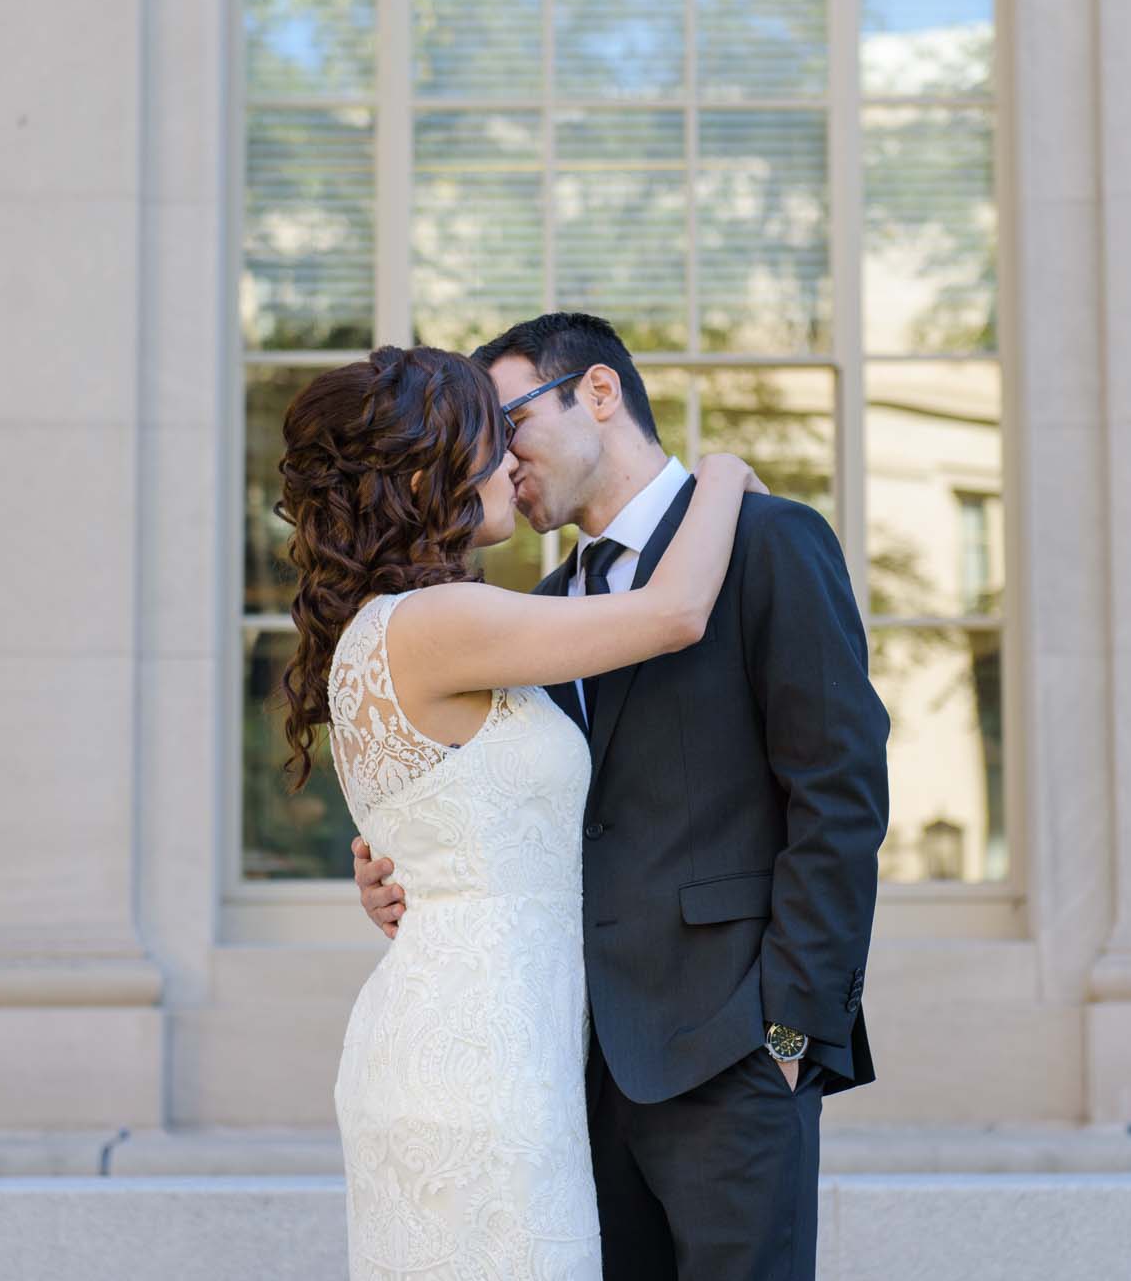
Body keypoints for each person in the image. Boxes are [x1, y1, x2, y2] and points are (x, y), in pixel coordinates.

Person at [353, 313, 890, 1280]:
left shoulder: (772, 542)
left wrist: (789, 1035)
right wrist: (407, 862)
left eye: (507, 418)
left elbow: (840, 795)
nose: (496, 454)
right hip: (572, 1076)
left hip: (734, 1056)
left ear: (597, 394)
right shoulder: (540, 612)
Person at [275, 342, 766, 1281]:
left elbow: (441, 811)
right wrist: (724, 475)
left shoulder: (404, 626)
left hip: (481, 1042)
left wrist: (390, 871)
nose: (510, 460)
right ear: (428, 469)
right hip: (478, 1066)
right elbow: (674, 614)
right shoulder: (441, 621)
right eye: (487, 438)